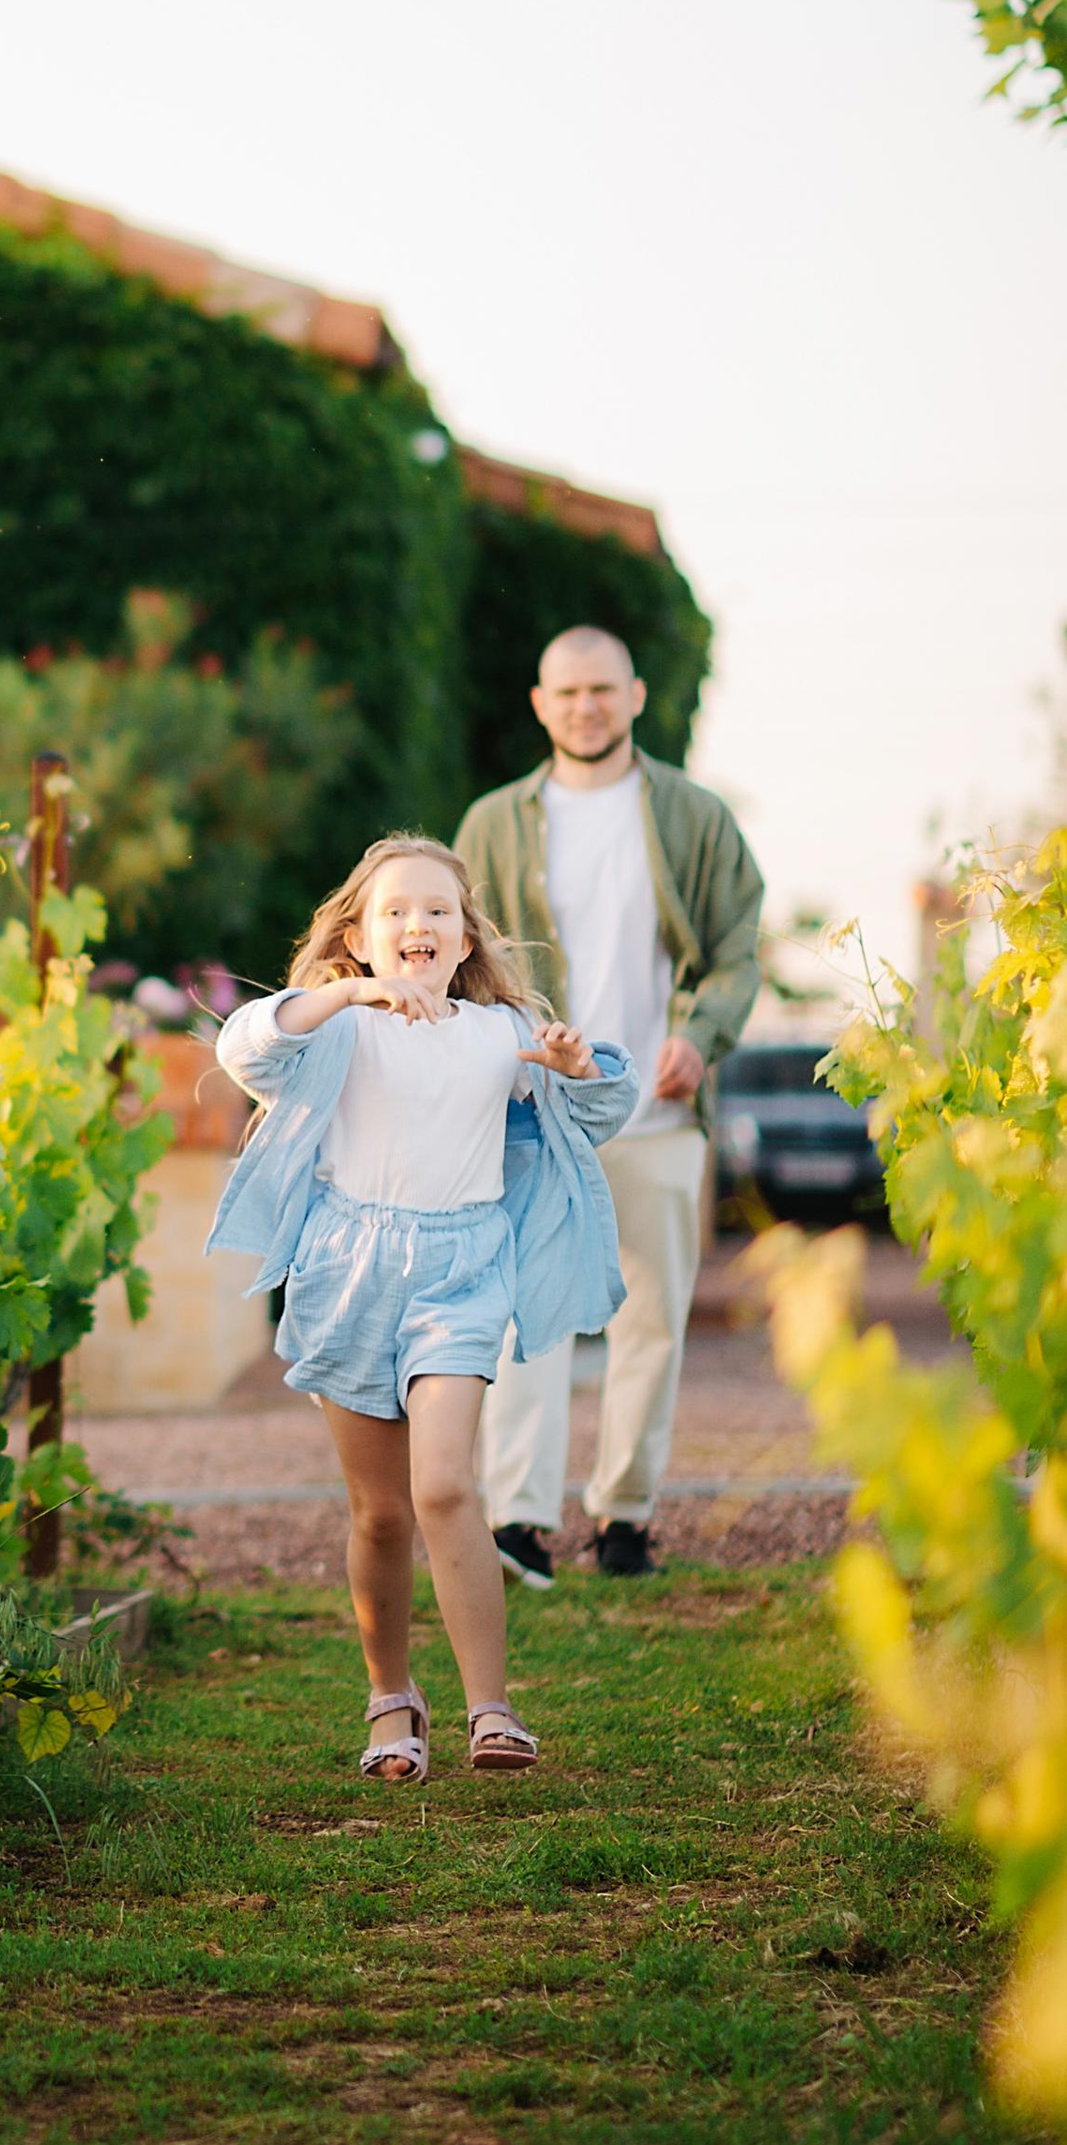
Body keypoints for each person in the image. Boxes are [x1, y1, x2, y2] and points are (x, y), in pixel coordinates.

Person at [209, 837, 635, 1782]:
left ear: (466, 934)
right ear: (358, 938)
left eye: (439, 910)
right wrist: (350, 996)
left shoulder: (502, 1030)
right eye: (395, 911)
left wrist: (576, 1065)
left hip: (461, 1270)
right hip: (348, 1271)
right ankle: (392, 1698)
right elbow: (245, 1044)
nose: (418, 925)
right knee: (381, 1514)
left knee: (443, 1485)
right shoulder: (340, 1028)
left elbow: (608, 1105)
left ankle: (492, 1708)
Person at [456, 625, 765, 1585]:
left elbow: (736, 947)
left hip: (661, 1113)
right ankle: (517, 1522)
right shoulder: (492, 824)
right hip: (535, 1113)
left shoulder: (694, 816)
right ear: (542, 705)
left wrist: (699, 1036)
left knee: (651, 1321)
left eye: (603, 688)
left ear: (634, 695)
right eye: (567, 691)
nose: (586, 705)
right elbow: (457, 956)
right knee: (527, 1319)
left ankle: (625, 1519)